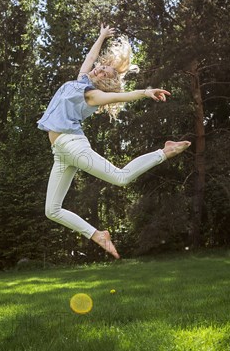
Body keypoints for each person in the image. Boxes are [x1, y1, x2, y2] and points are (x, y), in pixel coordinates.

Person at [38, 24, 191, 259]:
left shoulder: (91, 94)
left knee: (121, 177)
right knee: (52, 210)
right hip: (60, 151)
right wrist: (100, 37)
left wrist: (145, 92)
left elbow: (120, 95)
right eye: (101, 68)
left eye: (104, 74)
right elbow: (90, 57)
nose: (98, 71)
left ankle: (164, 152)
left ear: (103, 84)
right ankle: (98, 235)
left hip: (72, 145)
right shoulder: (80, 79)